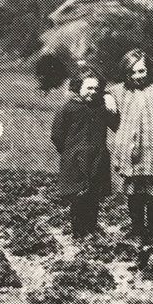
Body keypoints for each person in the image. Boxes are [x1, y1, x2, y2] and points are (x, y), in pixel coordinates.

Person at [112, 49, 153, 250]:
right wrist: (106, 97)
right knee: (134, 193)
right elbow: (99, 90)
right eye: (132, 72)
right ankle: (137, 229)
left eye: (141, 71)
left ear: (148, 70)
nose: (137, 76)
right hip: (130, 154)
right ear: (125, 73)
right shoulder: (120, 91)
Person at [50, 69, 120, 239]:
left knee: (94, 196)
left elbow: (117, 124)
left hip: (98, 159)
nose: (93, 92)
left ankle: (91, 230)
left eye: (96, 89)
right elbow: (56, 134)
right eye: (88, 88)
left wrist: (109, 97)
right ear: (78, 87)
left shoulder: (101, 107)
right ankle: (78, 233)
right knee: (78, 197)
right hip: (75, 160)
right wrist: (68, 152)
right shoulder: (69, 109)